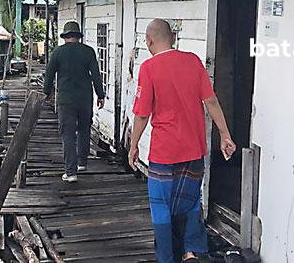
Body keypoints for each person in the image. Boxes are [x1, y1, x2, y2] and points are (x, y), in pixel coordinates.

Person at [129, 19, 236, 263]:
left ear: (149, 41)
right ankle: (190, 252)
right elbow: (211, 101)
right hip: (194, 150)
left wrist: (134, 145)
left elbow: (142, 114)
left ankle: (167, 257)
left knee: (161, 208)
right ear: (173, 38)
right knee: (189, 203)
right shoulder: (193, 61)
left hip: (164, 153)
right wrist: (225, 134)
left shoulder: (149, 68)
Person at [43, 21, 105, 183]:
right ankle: (82, 163)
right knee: (84, 128)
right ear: (78, 36)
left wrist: (46, 93)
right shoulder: (88, 52)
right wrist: (100, 94)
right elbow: (96, 75)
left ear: (65, 36)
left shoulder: (58, 53)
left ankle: (71, 172)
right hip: (85, 98)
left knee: (68, 134)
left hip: (66, 100)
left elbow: (49, 75)